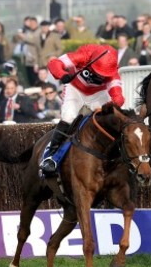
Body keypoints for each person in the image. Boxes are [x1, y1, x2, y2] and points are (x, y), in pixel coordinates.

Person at [39, 44, 124, 174]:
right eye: (99, 73)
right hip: (75, 89)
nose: (101, 77)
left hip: (97, 95)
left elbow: (118, 97)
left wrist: (112, 104)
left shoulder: (113, 73)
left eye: (104, 75)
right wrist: (62, 74)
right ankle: (51, 157)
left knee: (107, 120)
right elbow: (54, 63)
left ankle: (117, 157)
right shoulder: (84, 54)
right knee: (68, 117)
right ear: (91, 61)